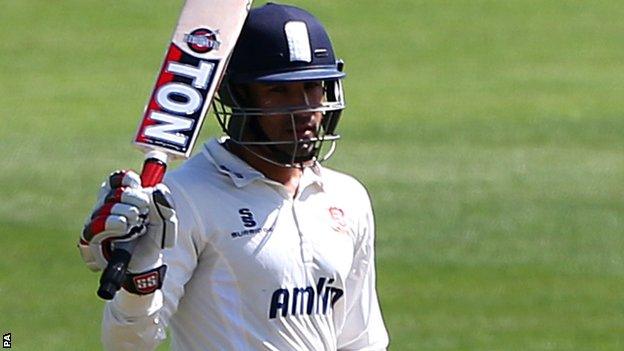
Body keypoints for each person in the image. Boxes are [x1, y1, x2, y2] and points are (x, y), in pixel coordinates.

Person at [78, 3, 389, 350]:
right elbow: (127, 345)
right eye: (278, 91)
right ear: (236, 97)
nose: (303, 109)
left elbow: (360, 340)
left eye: (312, 87)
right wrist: (139, 284)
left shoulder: (347, 197)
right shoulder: (184, 200)